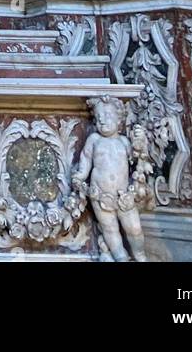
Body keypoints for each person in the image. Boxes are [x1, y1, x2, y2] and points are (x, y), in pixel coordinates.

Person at [74, 97, 147, 262]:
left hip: (124, 196)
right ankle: (121, 257)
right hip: (101, 195)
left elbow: (136, 160)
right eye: (98, 117)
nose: (102, 120)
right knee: (110, 228)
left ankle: (140, 255)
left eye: (107, 115)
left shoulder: (123, 141)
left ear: (119, 119)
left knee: (134, 228)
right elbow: (85, 160)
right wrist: (80, 176)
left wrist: (139, 143)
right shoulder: (94, 140)